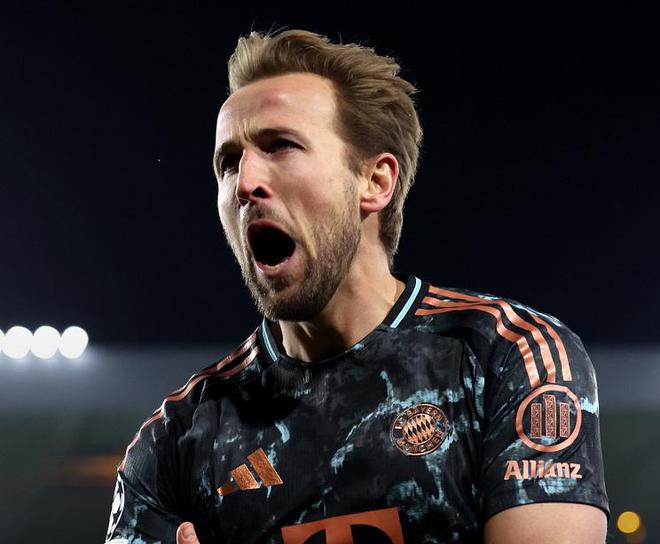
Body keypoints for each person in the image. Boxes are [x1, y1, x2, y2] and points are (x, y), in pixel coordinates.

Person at [104, 29, 609, 544]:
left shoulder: (508, 356)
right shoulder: (176, 440)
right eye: (228, 163)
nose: (245, 183)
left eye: (281, 146)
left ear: (375, 182)